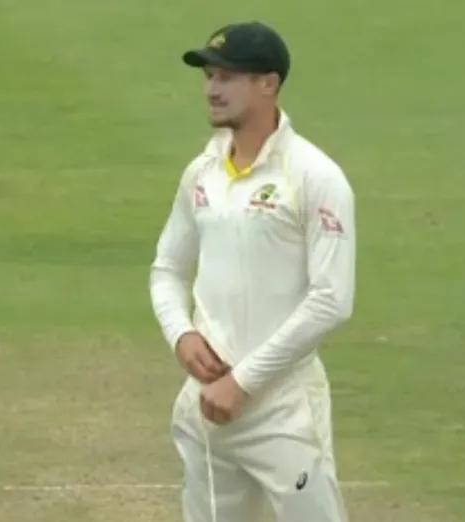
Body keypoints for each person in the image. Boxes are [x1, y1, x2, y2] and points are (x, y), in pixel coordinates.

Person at [148, 21, 357, 522]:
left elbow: (332, 299)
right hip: (207, 404)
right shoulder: (202, 173)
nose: (212, 89)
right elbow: (167, 268)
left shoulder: (314, 176)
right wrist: (181, 334)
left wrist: (244, 381)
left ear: (268, 83)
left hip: (283, 408)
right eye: (209, 76)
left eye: (227, 77)